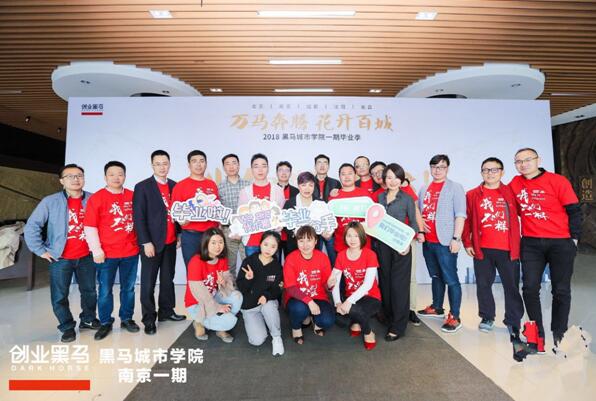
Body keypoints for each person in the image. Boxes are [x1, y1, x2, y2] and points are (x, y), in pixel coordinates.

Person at [509, 148, 582, 353]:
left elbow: (574, 210)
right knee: (530, 288)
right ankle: (537, 333)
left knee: (561, 290)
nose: (523, 164)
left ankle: (559, 332)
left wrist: (574, 239)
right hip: (531, 244)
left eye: (527, 160)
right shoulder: (515, 183)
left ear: (538, 160)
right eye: (518, 161)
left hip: (560, 243)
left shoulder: (557, 181)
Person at [462, 157, 528, 361]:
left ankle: (513, 321)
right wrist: (467, 242)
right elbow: (466, 220)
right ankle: (487, 317)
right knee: (483, 285)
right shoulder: (472, 194)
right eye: (485, 170)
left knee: (511, 286)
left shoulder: (511, 192)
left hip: (508, 249)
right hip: (483, 249)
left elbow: (525, 214)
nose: (489, 173)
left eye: (494, 170)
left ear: (502, 172)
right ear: (481, 173)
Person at [24, 164, 99, 343]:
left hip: (87, 256)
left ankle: (88, 319)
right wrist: (40, 250)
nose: (75, 179)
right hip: (60, 258)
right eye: (70, 176)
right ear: (61, 181)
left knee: (89, 291)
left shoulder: (93, 199)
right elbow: (32, 226)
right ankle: (66, 327)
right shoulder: (50, 202)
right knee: (59, 296)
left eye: (79, 175)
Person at [84, 161, 140, 340]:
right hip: (106, 254)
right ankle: (105, 322)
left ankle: (127, 318)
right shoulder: (97, 198)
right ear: (105, 177)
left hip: (131, 251)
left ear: (125, 176)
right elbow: (90, 226)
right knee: (105, 290)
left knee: (128, 289)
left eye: (120, 174)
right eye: (112, 174)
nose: (116, 178)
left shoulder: (133, 196)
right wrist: (96, 250)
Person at [133, 150, 185, 336]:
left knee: (167, 279)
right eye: (158, 164)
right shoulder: (143, 187)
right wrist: (145, 242)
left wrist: (179, 234)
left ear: (169, 165)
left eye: (165, 163)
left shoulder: (174, 186)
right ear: (152, 165)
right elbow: (138, 217)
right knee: (148, 282)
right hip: (151, 243)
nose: (162, 167)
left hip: (170, 241)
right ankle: (149, 319)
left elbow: (178, 213)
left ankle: (166, 311)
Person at [417, 154, 467, 333]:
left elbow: (460, 214)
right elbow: (419, 212)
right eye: (434, 167)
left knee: (451, 279)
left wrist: (456, 238)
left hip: (446, 241)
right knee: (436, 276)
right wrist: (420, 229)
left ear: (447, 168)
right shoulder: (424, 188)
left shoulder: (455, 187)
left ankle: (455, 316)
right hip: (428, 241)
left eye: (441, 167)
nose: (437, 170)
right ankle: (437, 307)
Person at [376, 164, 423, 340]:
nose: (392, 181)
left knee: (399, 286)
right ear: (384, 180)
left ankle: (398, 326)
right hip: (382, 246)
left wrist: (407, 242)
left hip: (401, 247)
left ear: (402, 180)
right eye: (389, 177)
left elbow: (414, 224)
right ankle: (389, 317)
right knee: (385, 283)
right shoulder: (379, 198)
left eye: (396, 177)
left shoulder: (407, 199)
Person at [329, 221, 382, 350]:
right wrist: (337, 303)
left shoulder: (370, 254)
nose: (352, 239)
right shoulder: (341, 255)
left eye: (356, 236)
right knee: (339, 319)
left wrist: (348, 302)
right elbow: (334, 281)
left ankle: (368, 332)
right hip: (351, 297)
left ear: (362, 237)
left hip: (371, 297)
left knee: (354, 309)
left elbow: (368, 285)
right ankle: (356, 320)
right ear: (345, 237)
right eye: (349, 236)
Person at [185, 227, 243, 343]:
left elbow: (228, 284)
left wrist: (224, 282)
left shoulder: (222, 259)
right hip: (197, 303)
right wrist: (217, 307)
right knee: (230, 321)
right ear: (206, 243)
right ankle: (199, 322)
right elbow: (199, 292)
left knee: (237, 296)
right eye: (213, 243)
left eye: (221, 242)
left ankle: (220, 327)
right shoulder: (196, 261)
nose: (218, 246)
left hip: (213, 296)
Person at [284, 225, 335, 344]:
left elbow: (326, 285)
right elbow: (290, 288)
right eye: (301, 241)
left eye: (309, 240)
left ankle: (312, 318)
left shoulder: (322, 257)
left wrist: (329, 285)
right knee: (299, 309)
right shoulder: (291, 258)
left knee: (327, 321)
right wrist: (310, 302)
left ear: (316, 241)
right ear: (297, 242)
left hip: (318, 297)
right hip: (296, 299)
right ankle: (296, 327)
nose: (305, 245)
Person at [236, 231, 284, 356]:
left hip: (266, 303)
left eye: (273, 246)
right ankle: (262, 321)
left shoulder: (277, 267)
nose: (268, 249)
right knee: (257, 341)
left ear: (277, 248)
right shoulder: (249, 261)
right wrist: (248, 279)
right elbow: (241, 287)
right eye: (266, 244)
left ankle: (276, 337)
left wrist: (267, 296)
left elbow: (277, 289)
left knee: (269, 306)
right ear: (260, 244)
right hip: (250, 305)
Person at [171, 150, 219, 267]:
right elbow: (175, 212)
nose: (198, 164)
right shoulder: (180, 186)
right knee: (193, 269)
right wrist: (181, 220)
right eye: (194, 161)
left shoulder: (212, 184)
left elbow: (217, 209)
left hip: (211, 235)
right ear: (189, 165)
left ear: (206, 164)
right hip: (191, 235)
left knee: (211, 269)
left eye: (202, 161)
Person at [238, 153, 285, 256]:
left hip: (272, 243)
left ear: (268, 169)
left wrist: (279, 224)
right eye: (256, 166)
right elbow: (241, 217)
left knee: (272, 267)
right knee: (252, 267)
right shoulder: (245, 192)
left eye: (264, 166)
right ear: (252, 169)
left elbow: (281, 214)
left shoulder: (278, 190)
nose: (260, 170)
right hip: (252, 242)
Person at [282, 171, 331, 255]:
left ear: (314, 186)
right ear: (298, 186)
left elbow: (326, 222)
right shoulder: (290, 203)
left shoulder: (320, 203)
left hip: (314, 245)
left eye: (310, 185)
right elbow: (285, 224)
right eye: (303, 185)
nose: (307, 189)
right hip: (294, 244)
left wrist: (327, 233)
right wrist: (295, 233)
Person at [328, 163, 372, 255]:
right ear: (339, 177)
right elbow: (330, 221)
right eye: (343, 174)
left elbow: (372, 218)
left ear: (355, 175)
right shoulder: (334, 197)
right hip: (341, 244)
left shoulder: (365, 194)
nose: (347, 177)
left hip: (363, 243)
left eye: (350, 173)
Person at [218, 153, 250, 276]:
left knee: (247, 262)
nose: (231, 166)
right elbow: (218, 211)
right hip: (228, 230)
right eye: (227, 164)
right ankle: (231, 287)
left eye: (234, 163)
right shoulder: (219, 187)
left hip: (246, 230)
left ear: (239, 165)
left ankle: (245, 286)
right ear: (224, 167)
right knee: (229, 264)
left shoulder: (248, 185)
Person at [312, 154, 341, 265]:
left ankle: (336, 276)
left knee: (334, 258)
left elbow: (339, 204)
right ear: (315, 166)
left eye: (325, 163)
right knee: (315, 258)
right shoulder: (309, 182)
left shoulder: (335, 183)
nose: (322, 165)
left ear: (328, 166)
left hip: (330, 226)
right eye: (319, 162)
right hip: (314, 225)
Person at [276, 161, 299, 257]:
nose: (284, 173)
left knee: (290, 261)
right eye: (281, 170)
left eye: (287, 170)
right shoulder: (272, 190)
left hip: (291, 235)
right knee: (274, 262)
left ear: (290, 173)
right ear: (276, 173)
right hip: (275, 234)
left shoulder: (296, 191)